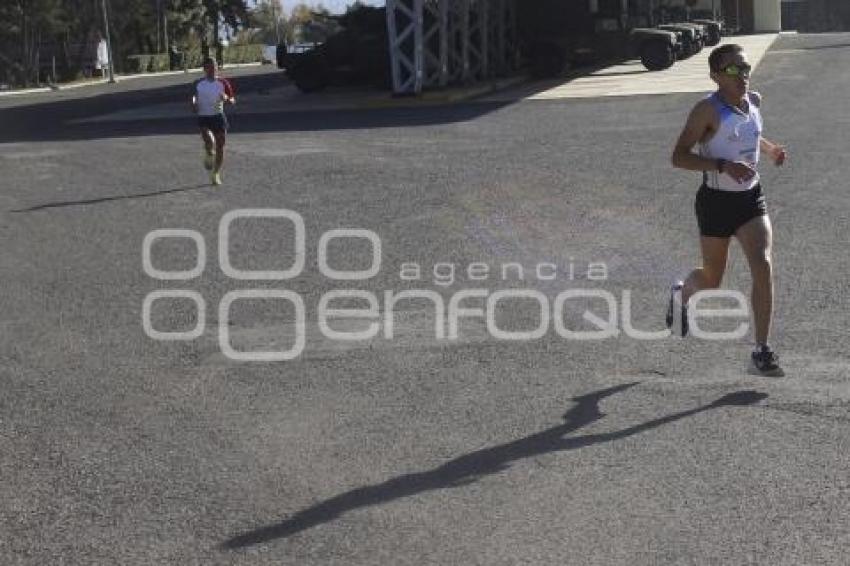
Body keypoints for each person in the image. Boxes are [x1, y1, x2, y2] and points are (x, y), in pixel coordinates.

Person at [669, 43, 787, 377]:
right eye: (734, 70)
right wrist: (722, 165)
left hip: (750, 198)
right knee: (711, 279)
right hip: (716, 203)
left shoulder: (754, 101)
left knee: (762, 264)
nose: (743, 76)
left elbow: (751, 133)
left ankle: (761, 350)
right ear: (716, 76)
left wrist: (770, 150)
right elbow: (678, 156)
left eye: (746, 68)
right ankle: (682, 291)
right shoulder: (706, 110)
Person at [190, 57, 235, 185]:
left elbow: (232, 100)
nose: (212, 69)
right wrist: (193, 104)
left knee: (220, 145)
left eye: (214, 66)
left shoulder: (223, 83)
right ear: (204, 69)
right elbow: (193, 97)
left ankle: (216, 173)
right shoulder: (198, 83)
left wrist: (226, 98)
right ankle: (209, 152)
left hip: (218, 116)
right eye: (209, 67)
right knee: (210, 141)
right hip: (204, 116)